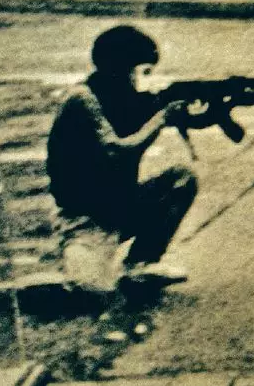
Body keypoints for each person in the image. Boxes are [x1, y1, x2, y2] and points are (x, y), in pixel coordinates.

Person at [46, 25, 199, 289]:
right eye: (137, 71)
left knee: (181, 180)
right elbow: (116, 150)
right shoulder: (83, 100)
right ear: (118, 68)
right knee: (89, 290)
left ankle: (140, 264)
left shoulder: (122, 99)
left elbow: (167, 115)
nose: (138, 80)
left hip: (118, 208)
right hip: (84, 221)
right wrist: (162, 119)